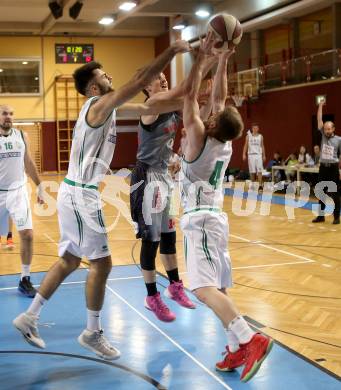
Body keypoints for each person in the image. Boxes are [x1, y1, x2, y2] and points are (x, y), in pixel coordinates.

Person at [13, 40, 191, 360]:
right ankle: (92, 332)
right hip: (81, 194)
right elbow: (137, 84)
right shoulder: (98, 105)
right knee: (102, 263)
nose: (109, 75)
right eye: (104, 74)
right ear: (95, 86)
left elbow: (151, 106)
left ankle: (29, 316)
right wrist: (173, 51)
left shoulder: (105, 108)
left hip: (76, 191)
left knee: (69, 260)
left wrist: (196, 77)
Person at [180, 33, 273, 383]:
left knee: (203, 290)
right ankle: (236, 347)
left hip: (200, 221)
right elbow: (217, 97)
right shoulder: (225, 144)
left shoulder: (197, 138)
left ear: (215, 124)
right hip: (216, 218)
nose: (213, 109)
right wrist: (223, 59)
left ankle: (251, 339)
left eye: (216, 113)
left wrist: (202, 55)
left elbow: (190, 95)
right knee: (219, 290)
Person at [130, 58, 218, 322]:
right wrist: (207, 61)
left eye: (164, 74)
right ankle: (151, 296)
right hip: (147, 178)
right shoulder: (152, 105)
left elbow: (198, 117)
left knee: (169, 235)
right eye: (157, 76)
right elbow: (185, 94)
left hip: (164, 177)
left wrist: (211, 98)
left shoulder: (172, 108)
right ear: (146, 86)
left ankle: (174, 286)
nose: (164, 78)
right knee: (152, 239)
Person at [0, 105, 44, 297]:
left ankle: (24, 279)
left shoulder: (21, 136)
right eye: (4, 114)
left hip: (18, 192)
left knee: (27, 234)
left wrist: (40, 186)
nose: (8, 117)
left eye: (11, 113)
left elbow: (28, 162)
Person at [312, 99, 341, 224]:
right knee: (320, 191)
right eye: (325, 129)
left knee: (335, 193)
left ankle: (336, 217)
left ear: (333, 129)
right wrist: (320, 106)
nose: (327, 131)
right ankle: (321, 216)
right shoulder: (323, 136)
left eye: (329, 129)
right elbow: (319, 120)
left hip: (333, 168)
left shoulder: (339, 140)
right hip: (323, 167)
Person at [242, 123, 266, 190]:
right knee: (252, 171)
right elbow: (245, 145)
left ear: (258, 129)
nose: (255, 129)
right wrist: (244, 154)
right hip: (251, 155)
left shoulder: (261, 136)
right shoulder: (248, 136)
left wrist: (264, 155)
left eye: (256, 128)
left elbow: (262, 146)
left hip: (258, 155)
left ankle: (260, 185)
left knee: (260, 170)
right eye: (254, 128)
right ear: (252, 128)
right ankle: (252, 185)